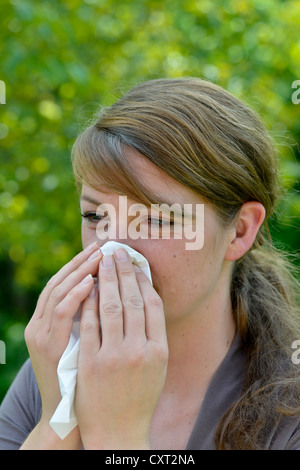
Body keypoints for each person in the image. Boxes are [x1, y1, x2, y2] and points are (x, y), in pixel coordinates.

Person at [0, 77, 299, 450]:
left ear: (239, 231)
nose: (112, 248)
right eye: (95, 216)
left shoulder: (288, 415)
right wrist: (58, 417)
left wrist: (117, 436)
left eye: (156, 220)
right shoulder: (56, 367)